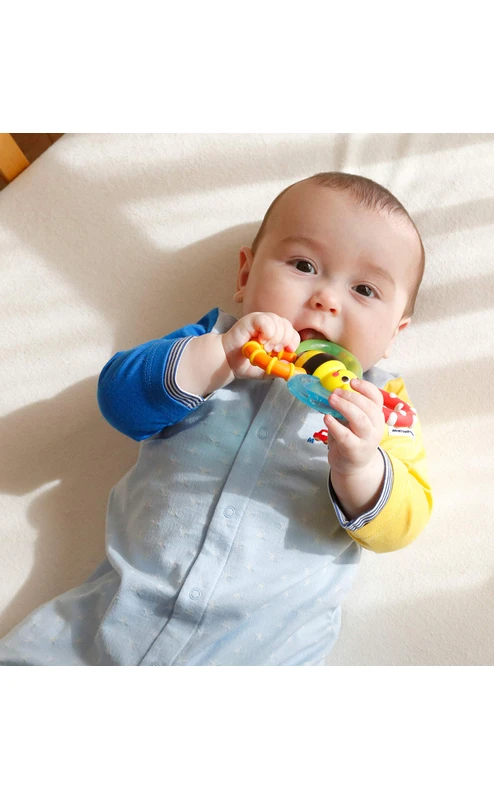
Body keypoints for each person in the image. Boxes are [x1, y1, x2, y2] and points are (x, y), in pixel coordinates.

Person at [0, 172, 433, 666]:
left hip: (258, 653)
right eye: (303, 265)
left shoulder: (383, 407)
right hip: (110, 622)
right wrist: (217, 358)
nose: (326, 299)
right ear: (245, 276)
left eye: (365, 289)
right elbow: (119, 400)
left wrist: (361, 467)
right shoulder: (213, 340)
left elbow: (403, 524)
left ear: (394, 333)